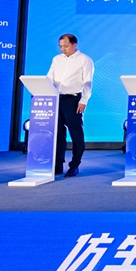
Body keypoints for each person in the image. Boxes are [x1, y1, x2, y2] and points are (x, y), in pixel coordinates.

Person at [46, 33, 93, 177]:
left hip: (73, 100)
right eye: (60, 46)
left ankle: (74, 165)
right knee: (58, 134)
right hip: (56, 99)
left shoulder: (84, 59)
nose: (63, 49)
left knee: (76, 134)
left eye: (66, 46)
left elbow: (88, 82)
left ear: (74, 44)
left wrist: (84, 100)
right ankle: (57, 164)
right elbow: (49, 77)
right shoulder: (56, 59)